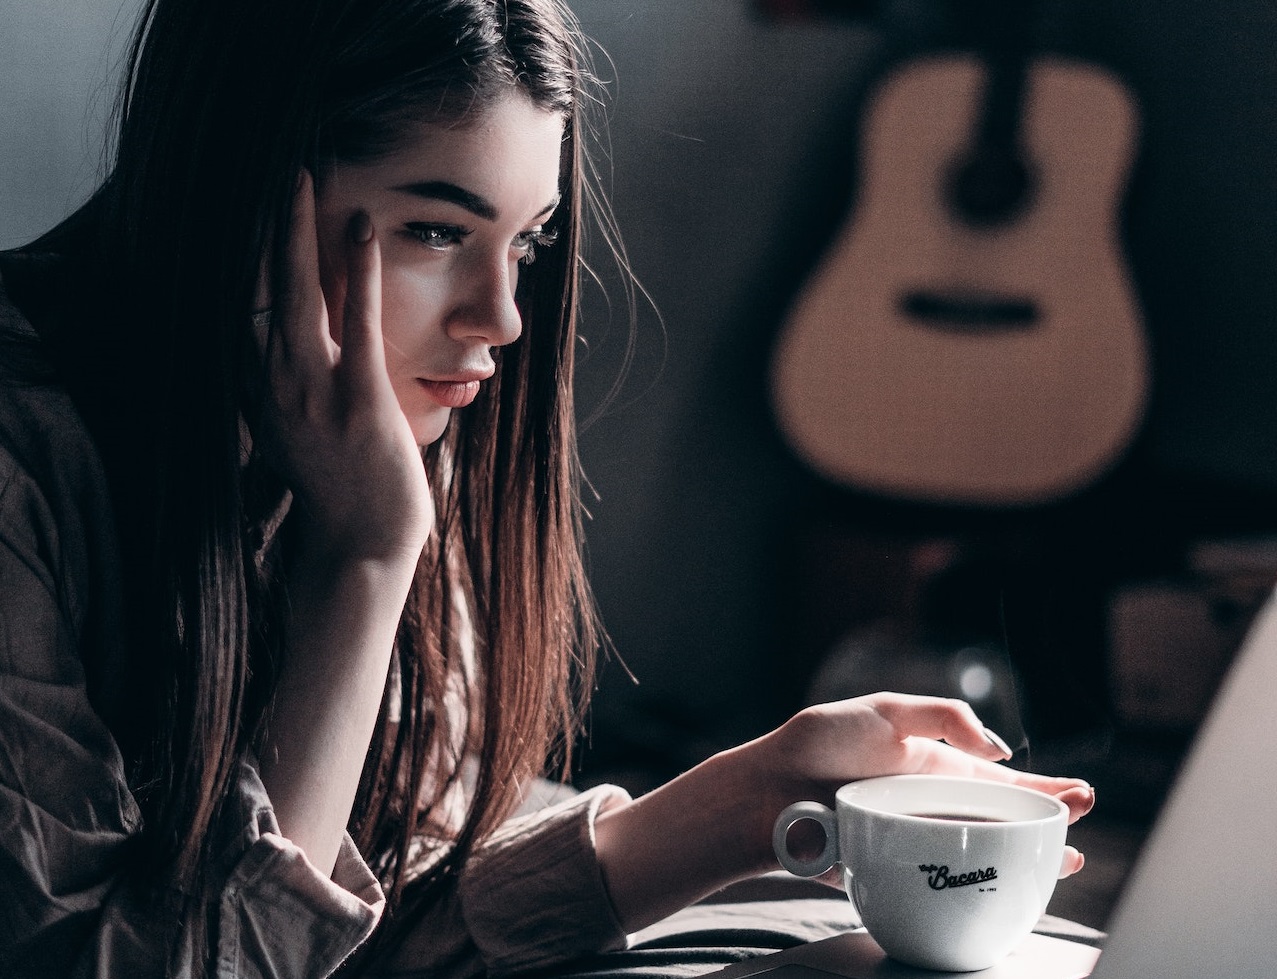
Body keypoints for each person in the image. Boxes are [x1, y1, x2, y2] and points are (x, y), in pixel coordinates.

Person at [0, 0, 1096, 976]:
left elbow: (362, 915)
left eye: (526, 241)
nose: (500, 320)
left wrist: (749, 799)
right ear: (237, 189)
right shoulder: (32, 472)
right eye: (436, 230)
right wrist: (368, 560)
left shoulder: (358, 435)